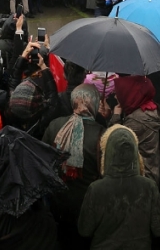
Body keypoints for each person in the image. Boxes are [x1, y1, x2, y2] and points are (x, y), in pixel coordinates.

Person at [78, 125, 160, 249]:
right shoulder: (149, 187)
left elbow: (84, 230)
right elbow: (159, 229)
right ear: (136, 153)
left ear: (108, 153)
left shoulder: (96, 189)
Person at [43, 84, 105, 249]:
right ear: (95, 104)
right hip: (86, 206)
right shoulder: (102, 134)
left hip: (58, 203)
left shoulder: (55, 125)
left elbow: (43, 161)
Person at [109, 76, 160, 184]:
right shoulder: (148, 110)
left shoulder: (137, 120)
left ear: (129, 94)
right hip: (150, 174)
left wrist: (115, 116)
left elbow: (116, 142)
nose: (116, 96)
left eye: (119, 93)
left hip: (140, 180)